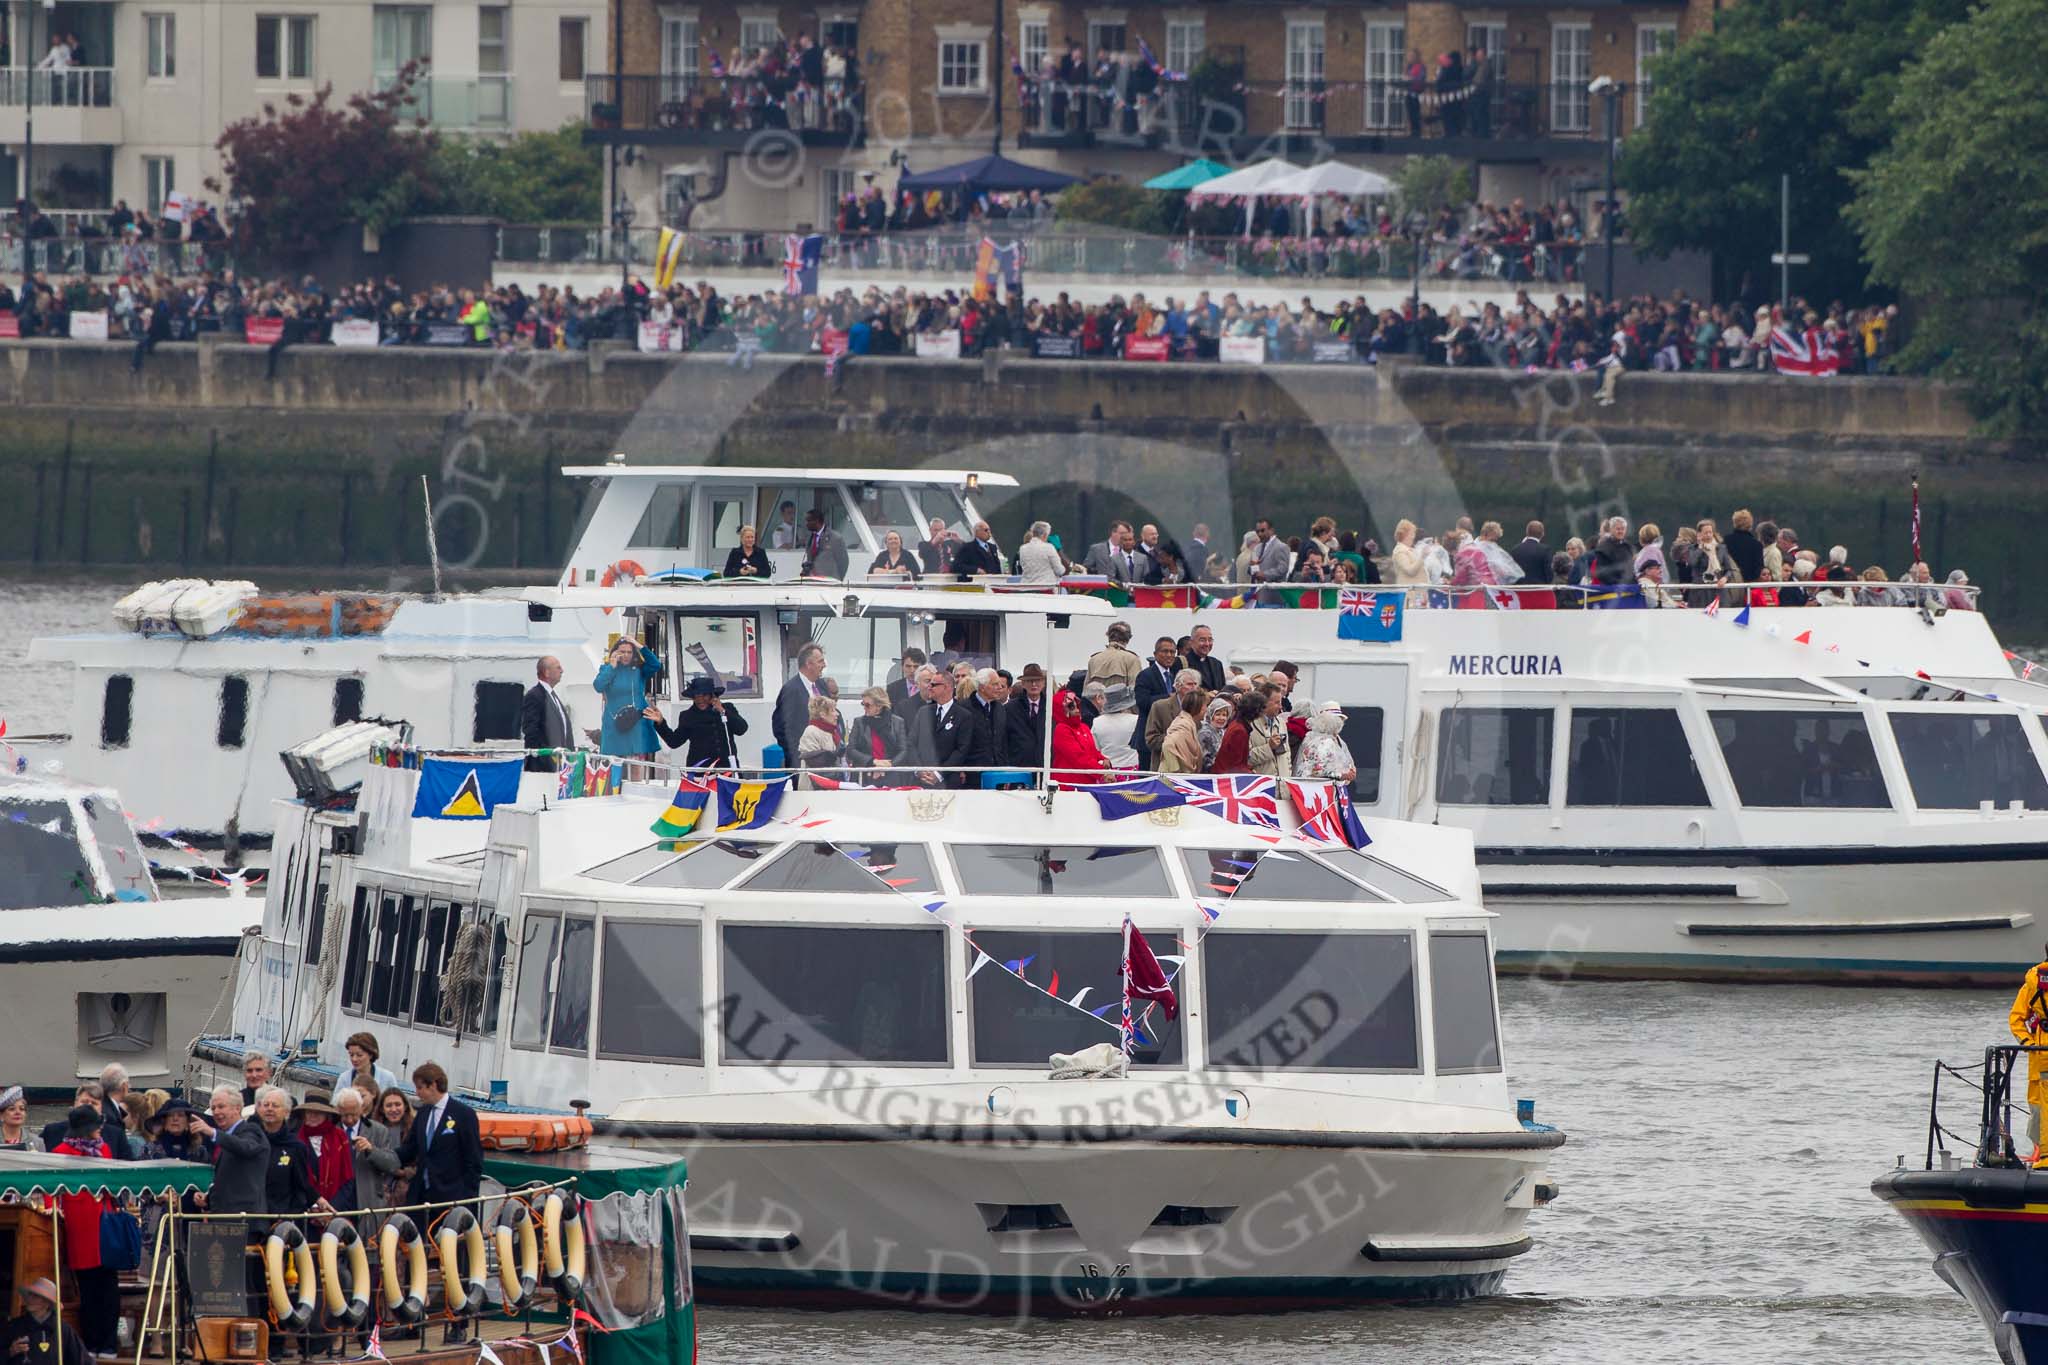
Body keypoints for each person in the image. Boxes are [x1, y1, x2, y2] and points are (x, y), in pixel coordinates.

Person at [50, 1106, 118, 1353]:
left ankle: (109, 1344)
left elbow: (114, 1184)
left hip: (105, 1226)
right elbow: (51, 1192)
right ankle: (91, 1343)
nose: (100, 1128)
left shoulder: (104, 1149)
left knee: (109, 1289)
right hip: (79, 1228)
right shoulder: (61, 1152)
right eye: (96, 1125)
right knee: (88, 1290)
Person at [398, 1061, 483, 1209]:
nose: (417, 1093)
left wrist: (466, 1199)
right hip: (421, 1197)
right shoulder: (423, 1113)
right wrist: (378, 1154)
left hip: (451, 1198)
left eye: (420, 1088)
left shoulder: (463, 1114)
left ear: (433, 1085)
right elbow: (410, 1149)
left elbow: (474, 1159)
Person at [650, 677, 748, 768]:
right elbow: (674, 742)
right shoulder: (688, 715)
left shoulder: (727, 708)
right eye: (696, 696)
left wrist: (722, 711)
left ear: (712, 695)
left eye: (704, 695)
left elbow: (741, 729)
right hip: (700, 771)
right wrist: (661, 722)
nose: (700, 699)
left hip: (727, 769)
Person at [335, 1088, 398, 1229]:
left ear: (361, 1109)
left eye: (354, 1115)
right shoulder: (332, 1130)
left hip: (368, 1198)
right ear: (338, 1110)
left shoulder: (379, 1131)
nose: (350, 1120)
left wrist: (371, 1150)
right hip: (339, 1199)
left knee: (368, 1245)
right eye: (345, 1115)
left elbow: (392, 1165)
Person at [594, 636, 663, 763]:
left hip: (636, 722)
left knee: (636, 762)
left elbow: (655, 665)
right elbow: (598, 686)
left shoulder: (639, 670)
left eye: (629, 652)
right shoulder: (607, 669)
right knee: (614, 765)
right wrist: (611, 667)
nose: (626, 655)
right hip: (615, 722)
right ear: (615, 652)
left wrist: (640, 646)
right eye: (622, 652)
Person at [2012, 946, 2048, 1164]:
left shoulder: (2034, 982)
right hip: (2040, 1055)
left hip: (2039, 1054)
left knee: (2037, 1107)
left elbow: (2016, 1019)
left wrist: (2028, 1042)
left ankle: (2038, 1157)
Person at [294, 1095, 355, 1208]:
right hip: (305, 1210)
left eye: (318, 1112)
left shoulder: (341, 1137)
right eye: (309, 1112)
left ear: (327, 1115)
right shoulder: (295, 1139)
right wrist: (314, 1207)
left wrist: (331, 1209)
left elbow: (347, 1178)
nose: (313, 1115)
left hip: (336, 1210)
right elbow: (296, 1180)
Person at [773, 642, 829, 759]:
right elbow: (780, 727)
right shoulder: (791, 689)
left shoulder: (822, 685)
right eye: (820, 661)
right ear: (809, 664)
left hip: (824, 757)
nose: (824, 665)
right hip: (802, 759)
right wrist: (795, 755)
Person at [520, 656, 573, 773]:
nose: (562, 671)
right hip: (544, 766)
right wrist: (543, 759)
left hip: (560, 765)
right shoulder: (535, 696)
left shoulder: (553, 696)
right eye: (558, 667)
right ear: (547, 672)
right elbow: (531, 731)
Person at [1144, 668, 1203, 771]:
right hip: (1166, 768)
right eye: (1189, 684)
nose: (1193, 688)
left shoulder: (1200, 709)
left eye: (1195, 684)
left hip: (1190, 769)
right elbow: (1151, 739)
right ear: (1178, 686)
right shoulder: (1160, 706)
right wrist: (1177, 740)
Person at [845, 686, 907, 783]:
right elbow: (851, 750)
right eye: (863, 704)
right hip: (865, 775)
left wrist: (888, 766)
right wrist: (873, 762)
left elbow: (903, 750)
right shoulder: (860, 722)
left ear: (879, 705)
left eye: (867, 705)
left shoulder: (897, 722)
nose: (864, 708)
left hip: (890, 775)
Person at [1049, 688, 1110, 785]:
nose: (1077, 709)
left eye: (1077, 705)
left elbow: (1092, 752)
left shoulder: (1084, 727)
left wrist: (1104, 759)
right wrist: (1102, 772)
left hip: (1087, 782)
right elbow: (1078, 757)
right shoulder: (1061, 730)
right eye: (1071, 707)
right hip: (1069, 785)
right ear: (1061, 709)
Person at [374, 1090, 416, 1209]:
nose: (393, 1109)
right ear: (382, 1109)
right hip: (378, 1190)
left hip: (405, 1193)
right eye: (388, 1105)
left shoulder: (414, 1130)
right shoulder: (373, 1130)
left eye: (397, 1104)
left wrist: (404, 1173)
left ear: (405, 1106)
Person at [1003, 663, 1048, 769]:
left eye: (1037, 680)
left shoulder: (1051, 707)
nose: (1034, 684)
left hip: (1045, 766)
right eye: (1029, 681)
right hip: (1018, 766)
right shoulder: (1010, 708)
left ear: (1043, 683)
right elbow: (1004, 740)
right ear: (1022, 684)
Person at [796, 694, 845, 786]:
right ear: (822, 714)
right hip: (814, 788)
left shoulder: (832, 731)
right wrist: (833, 754)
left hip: (831, 785)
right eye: (833, 711)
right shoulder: (811, 731)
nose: (837, 714)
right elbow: (814, 761)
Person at [145, 1099, 215, 1163]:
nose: (175, 1119)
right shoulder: (149, 1150)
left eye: (180, 1115)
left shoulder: (199, 1151)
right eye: (170, 1115)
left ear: (188, 1121)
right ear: (164, 1122)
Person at [1085, 622, 1142, 700]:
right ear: (1128, 638)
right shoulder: (1132, 659)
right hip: (1122, 710)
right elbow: (1135, 692)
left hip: (1098, 710)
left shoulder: (1093, 659)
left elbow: (1086, 693)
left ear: (1108, 636)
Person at [1212, 691, 1261, 775]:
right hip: (1226, 778)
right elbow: (1236, 765)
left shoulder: (1237, 725)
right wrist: (1251, 773)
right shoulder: (1239, 731)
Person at [1248, 685, 1291, 778]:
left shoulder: (1282, 723)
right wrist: (1269, 748)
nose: (1280, 706)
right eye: (1277, 703)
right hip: (1261, 786)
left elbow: (1287, 755)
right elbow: (1246, 758)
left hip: (1282, 786)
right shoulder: (1250, 725)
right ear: (1264, 703)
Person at [1159, 691, 1206, 774]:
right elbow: (1168, 745)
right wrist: (1175, 769)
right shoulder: (1184, 724)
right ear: (1198, 708)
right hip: (1171, 780)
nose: (1206, 709)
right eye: (1205, 706)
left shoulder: (1188, 722)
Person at [800, 507, 849, 579]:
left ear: (816, 521)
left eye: (808, 521)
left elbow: (843, 562)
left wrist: (837, 580)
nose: (806, 524)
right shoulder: (809, 538)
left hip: (829, 581)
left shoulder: (835, 538)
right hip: (812, 581)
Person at [1196, 695, 1235, 772]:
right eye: (1218, 714)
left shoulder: (1222, 732)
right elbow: (1205, 761)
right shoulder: (1204, 733)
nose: (1221, 718)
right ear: (1211, 715)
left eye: (1224, 715)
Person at [1183, 624, 1226, 692]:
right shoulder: (1183, 662)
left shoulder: (1217, 663)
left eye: (1210, 640)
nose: (1207, 644)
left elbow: (1223, 689)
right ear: (1191, 642)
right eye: (1202, 640)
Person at [0, 1087, 43, 1151]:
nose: (18, 1112)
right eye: (12, 1109)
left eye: (22, 1109)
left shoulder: (37, 1142)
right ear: (1, 1115)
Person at [887, 648, 929, 714]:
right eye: (908, 666)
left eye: (916, 666)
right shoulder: (892, 689)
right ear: (902, 667)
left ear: (923, 668)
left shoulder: (930, 687)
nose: (912, 670)